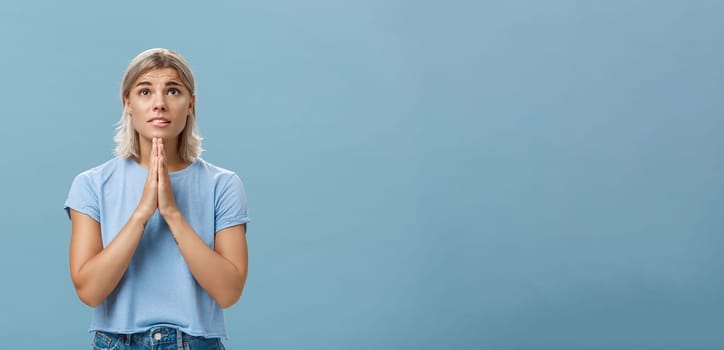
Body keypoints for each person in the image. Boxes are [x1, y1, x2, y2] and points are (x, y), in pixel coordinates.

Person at [64, 48, 250, 350]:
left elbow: (228, 292)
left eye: (173, 90)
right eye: (145, 91)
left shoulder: (223, 185)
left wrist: (172, 213)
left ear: (190, 104)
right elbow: (90, 291)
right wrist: (142, 213)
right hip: (117, 343)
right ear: (127, 103)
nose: (159, 104)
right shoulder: (91, 184)